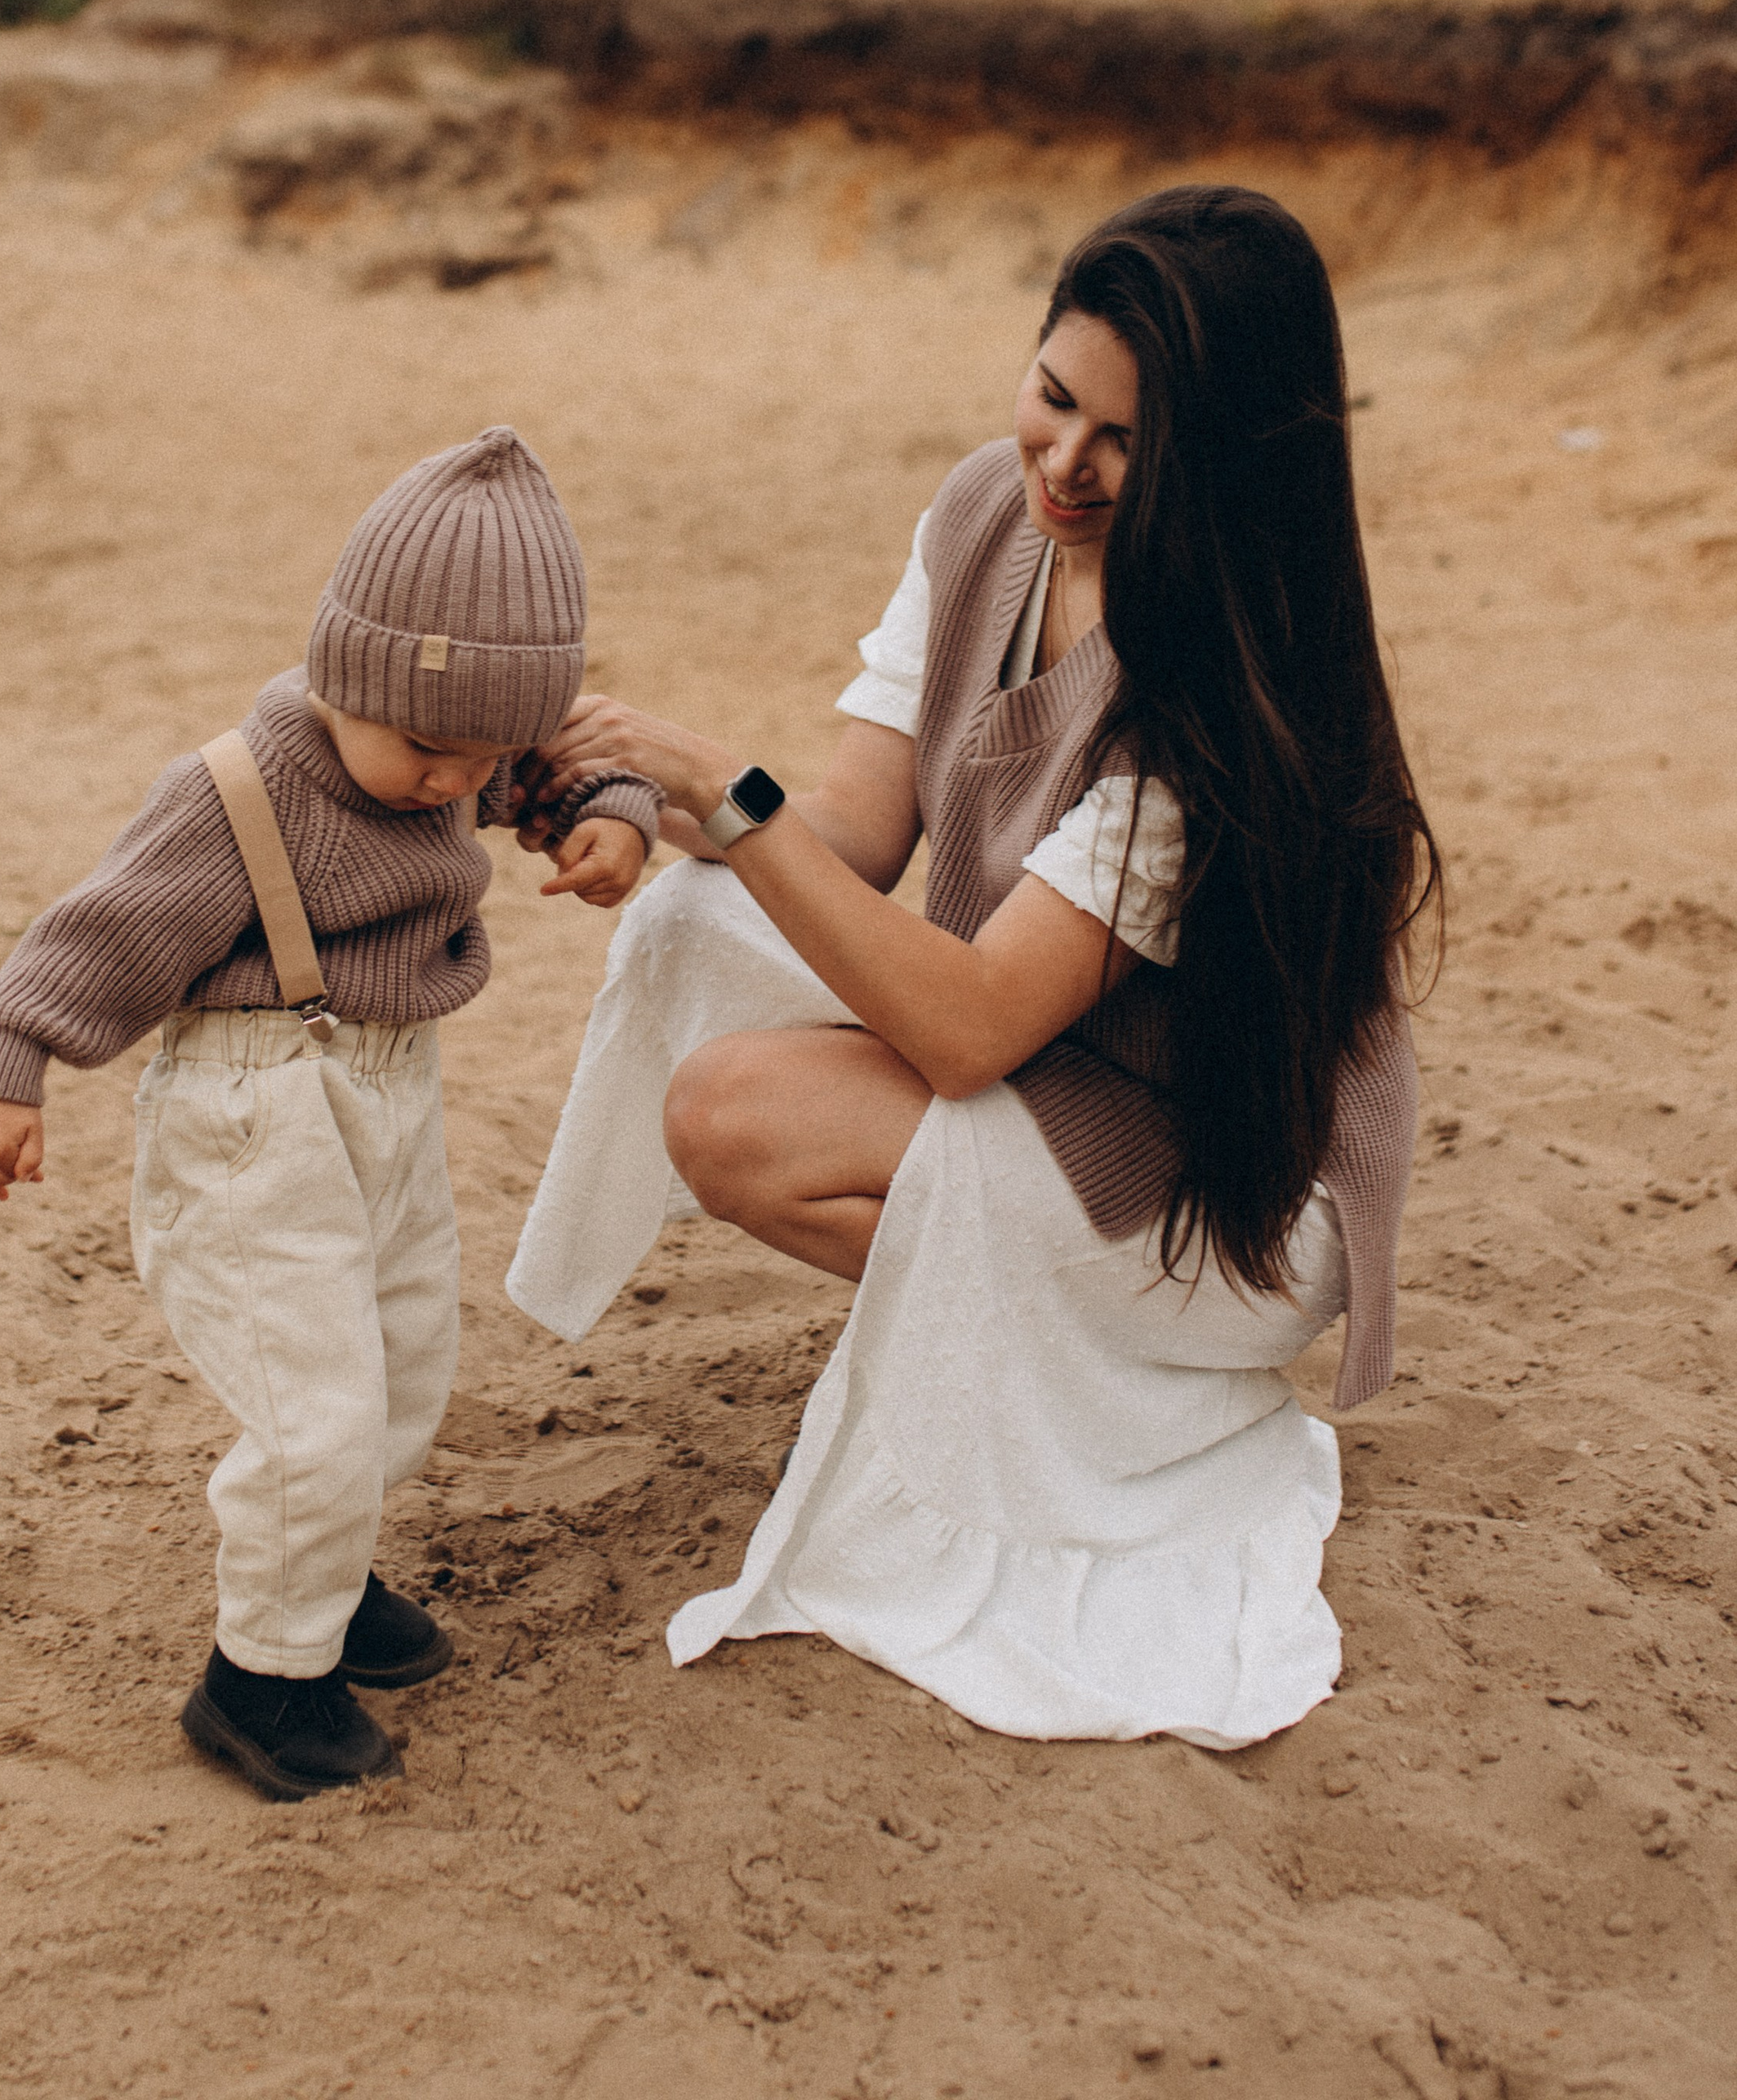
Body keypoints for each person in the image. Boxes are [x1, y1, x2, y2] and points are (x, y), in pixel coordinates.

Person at [527, 188, 1436, 1750]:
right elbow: (850, 834)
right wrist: (637, 807)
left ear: (1218, 457)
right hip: (1073, 1068)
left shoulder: (1205, 694)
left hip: (1229, 1181)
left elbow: (959, 1032)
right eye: (1052, 396)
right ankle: (1064, 1339)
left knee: (740, 1113)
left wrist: (719, 783)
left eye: (1125, 442)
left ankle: (1133, 1375)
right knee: (689, 932)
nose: (1063, 466)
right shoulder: (983, 519)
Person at [0, 429, 658, 1800]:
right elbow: (103, 934)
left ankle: (325, 1575)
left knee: (401, 1358)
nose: (458, 784)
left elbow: (564, 770)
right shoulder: (240, 791)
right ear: (346, 676)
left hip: (387, 1099)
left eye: (483, 758)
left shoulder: (454, 748)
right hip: (254, 1116)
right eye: (429, 750)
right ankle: (260, 1681)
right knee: (311, 1406)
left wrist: (613, 818)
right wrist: (7, 1070)